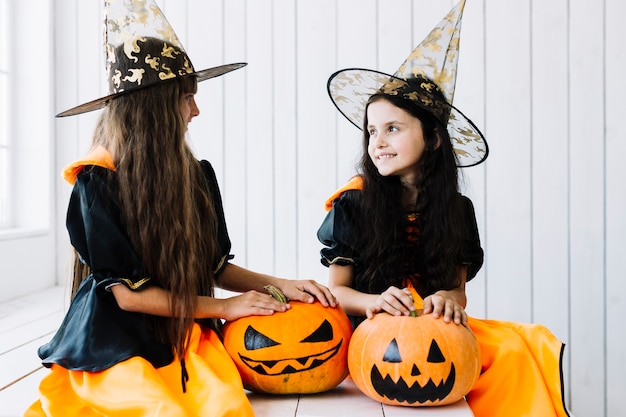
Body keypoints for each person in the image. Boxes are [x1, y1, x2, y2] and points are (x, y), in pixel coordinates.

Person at [25, 2, 335, 416]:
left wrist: (279, 283)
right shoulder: (97, 181)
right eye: (187, 98)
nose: (195, 111)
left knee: (220, 401)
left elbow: (214, 268)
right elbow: (127, 297)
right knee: (154, 405)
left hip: (181, 326)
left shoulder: (196, 175)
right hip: (115, 337)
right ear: (154, 109)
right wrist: (225, 308)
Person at [317, 1, 569, 416]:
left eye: (393, 129)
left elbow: (458, 290)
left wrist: (450, 299)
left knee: (518, 348)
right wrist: (376, 301)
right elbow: (337, 291)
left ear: (432, 139)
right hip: (372, 329)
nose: (376, 142)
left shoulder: (456, 209)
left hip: (435, 327)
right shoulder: (354, 202)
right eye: (371, 131)